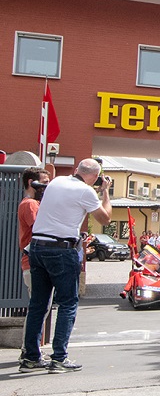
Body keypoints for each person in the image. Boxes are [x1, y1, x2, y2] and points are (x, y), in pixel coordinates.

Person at [20, 158, 112, 374]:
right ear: (96, 177)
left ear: (75, 170)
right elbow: (105, 219)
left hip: (37, 247)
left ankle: (30, 358)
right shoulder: (86, 191)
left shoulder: (56, 182)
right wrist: (105, 192)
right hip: (62, 249)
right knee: (67, 303)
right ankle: (59, 358)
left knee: (38, 304)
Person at [17, 166, 51, 363]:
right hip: (33, 260)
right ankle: (29, 350)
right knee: (38, 308)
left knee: (40, 308)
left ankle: (30, 349)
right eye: (43, 182)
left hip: (31, 261)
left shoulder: (30, 203)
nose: (46, 187)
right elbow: (41, 228)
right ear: (32, 183)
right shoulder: (30, 204)